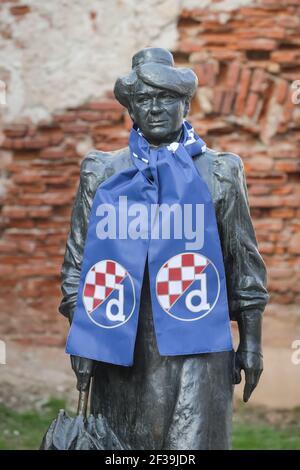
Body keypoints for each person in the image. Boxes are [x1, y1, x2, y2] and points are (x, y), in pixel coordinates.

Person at [59, 48, 269, 450]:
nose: (155, 108)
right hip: (121, 346)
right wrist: (83, 340)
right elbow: (77, 267)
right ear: (130, 109)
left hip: (200, 351)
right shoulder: (103, 172)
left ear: (186, 104)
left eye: (166, 98)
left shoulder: (219, 170)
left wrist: (253, 342)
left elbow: (244, 263)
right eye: (143, 99)